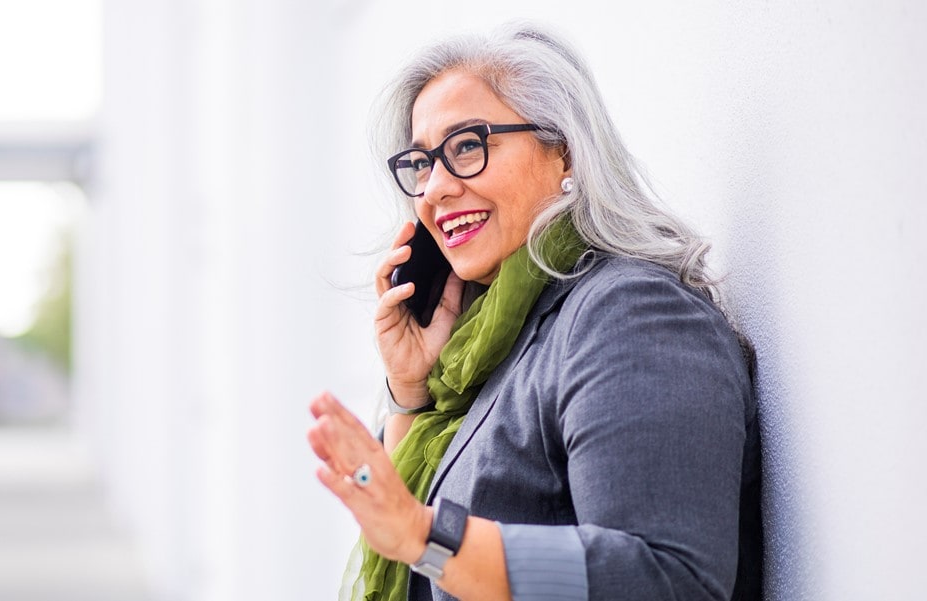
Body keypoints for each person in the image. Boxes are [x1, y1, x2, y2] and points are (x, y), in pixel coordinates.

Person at [306, 22, 762, 601]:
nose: (434, 190)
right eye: (422, 163)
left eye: (467, 146)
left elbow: (665, 577)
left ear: (563, 150)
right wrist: (410, 390)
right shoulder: (482, 352)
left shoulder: (630, 313)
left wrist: (426, 535)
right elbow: (408, 555)